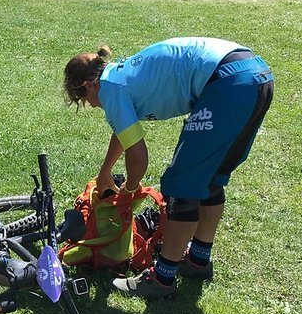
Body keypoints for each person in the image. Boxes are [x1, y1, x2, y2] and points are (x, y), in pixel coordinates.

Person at [63, 38, 273, 299]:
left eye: (84, 98)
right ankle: (198, 261)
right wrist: (106, 171)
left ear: (89, 84)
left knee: (180, 186)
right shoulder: (118, 76)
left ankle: (162, 278)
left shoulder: (109, 88)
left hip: (226, 83)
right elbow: (123, 130)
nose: (92, 105)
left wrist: (129, 192)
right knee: (210, 180)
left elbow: (138, 155)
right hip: (256, 74)